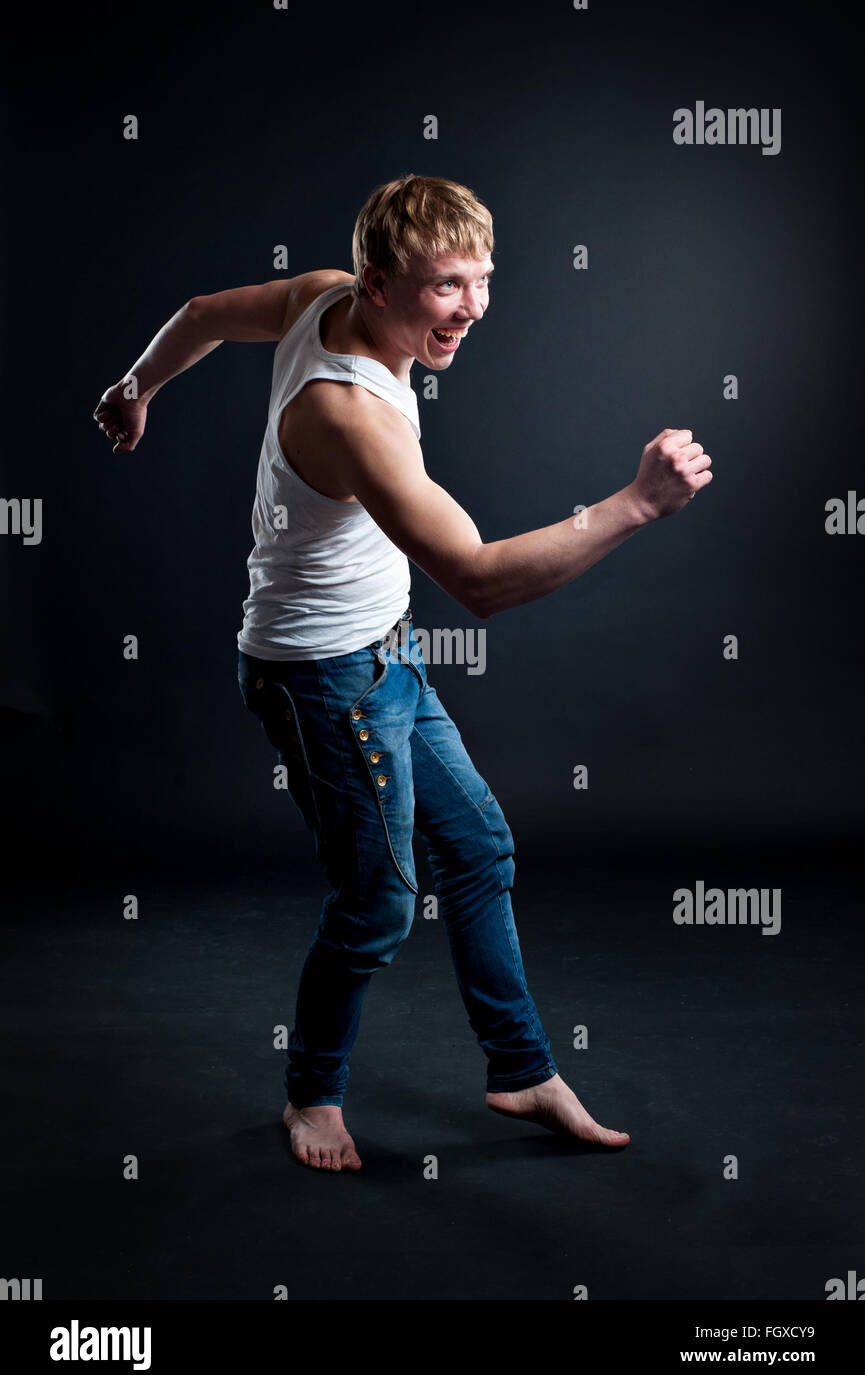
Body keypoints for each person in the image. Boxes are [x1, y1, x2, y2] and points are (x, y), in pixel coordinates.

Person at [93, 173, 713, 1174]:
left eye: (481, 279)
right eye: (442, 286)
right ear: (378, 284)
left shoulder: (325, 294)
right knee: (378, 902)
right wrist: (634, 506)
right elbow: (475, 579)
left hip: (384, 651)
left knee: (477, 845)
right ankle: (311, 1094)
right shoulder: (347, 415)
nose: (468, 308)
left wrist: (136, 389)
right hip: (320, 676)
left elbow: (203, 314)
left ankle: (519, 1068)